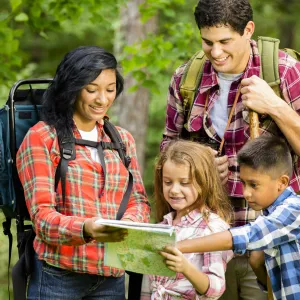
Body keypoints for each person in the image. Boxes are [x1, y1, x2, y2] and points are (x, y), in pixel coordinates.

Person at [160, 0, 300, 298]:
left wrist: (274, 106)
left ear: (248, 30)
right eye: (207, 42)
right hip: (206, 241)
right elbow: (167, 152)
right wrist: (198, 163)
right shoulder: (187, 79)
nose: (216, 52)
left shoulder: (284, 71)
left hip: (268, 245)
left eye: (225, 42)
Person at [16, 46, 151, 299]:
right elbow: (43, 219)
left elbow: (139, 201)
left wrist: (132, 223)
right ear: (72, 88)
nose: (102, 99)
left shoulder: (122, 140)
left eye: (110, 90)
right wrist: (86, 229)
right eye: (91, 90)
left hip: (111, 277)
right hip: (58, 277)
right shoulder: (42, 138)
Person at [166, 136, 300, 300]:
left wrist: (177, 246)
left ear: (282, 182)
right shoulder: (270, 215)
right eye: (243, 183)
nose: (245, 193)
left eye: (253, 184)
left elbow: (244, 236)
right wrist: (256, 263)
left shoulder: (294, 209)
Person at [140, 140, 233, 299]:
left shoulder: (213, 229)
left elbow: (216, 288)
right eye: (168, 182)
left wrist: (185, 268)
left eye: (184, 183)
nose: (174, 190)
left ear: (204, 182)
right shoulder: (162, 226)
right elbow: (148, 285)